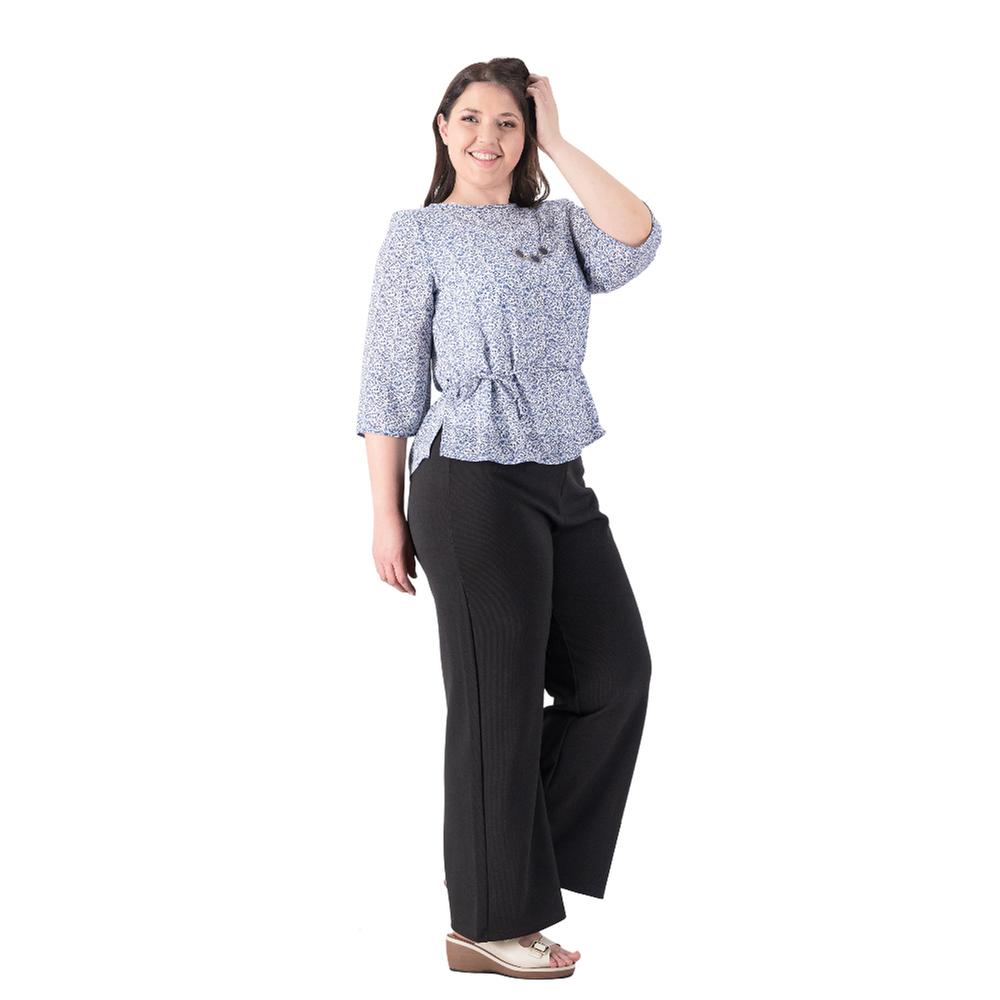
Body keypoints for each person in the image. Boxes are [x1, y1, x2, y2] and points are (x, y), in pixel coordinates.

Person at [355, 59, 662, 980]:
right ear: (441, 127)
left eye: (509, 123)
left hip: (559, 474)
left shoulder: (559, 225)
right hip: (467, 483)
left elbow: (639, 237)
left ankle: (510, 866)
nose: (487, 137)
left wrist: (559, 137)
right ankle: (488, 923)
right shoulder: (418, 235)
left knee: (615, 677)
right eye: (470, 118)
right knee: (499, 706)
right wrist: (385, 514)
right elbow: (389, 378)